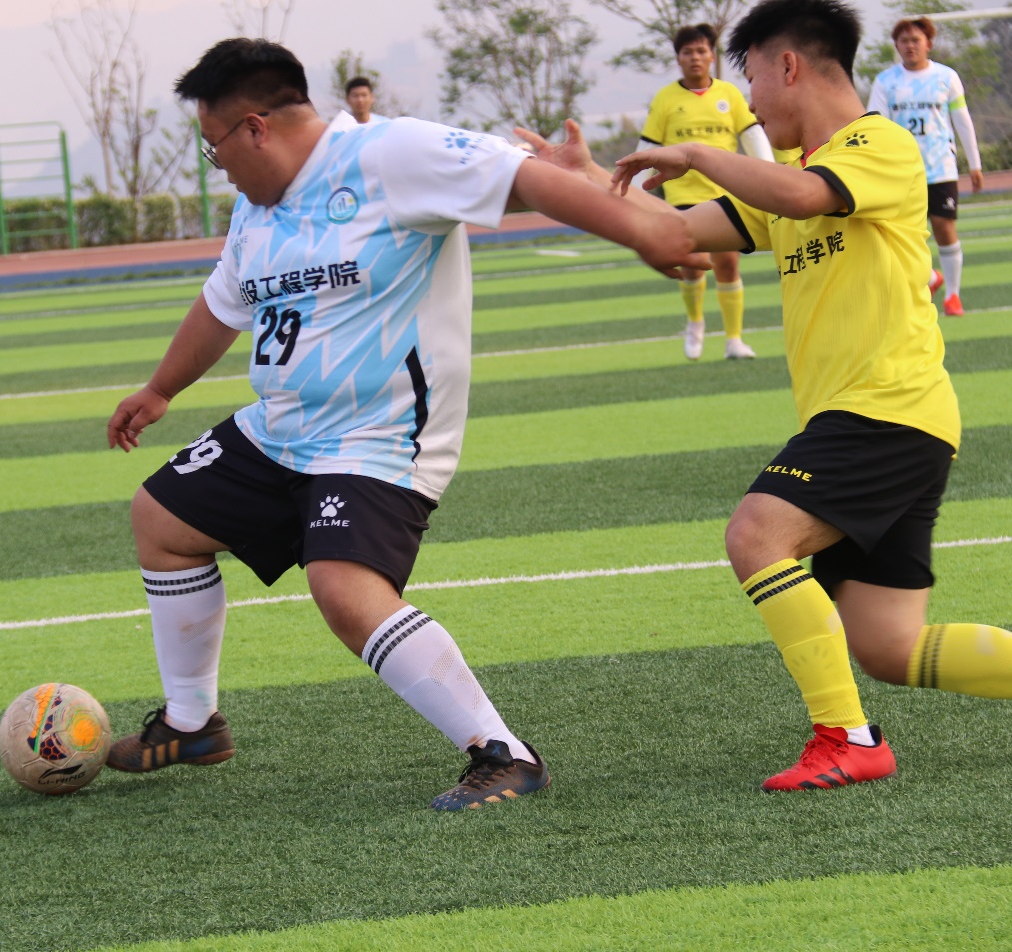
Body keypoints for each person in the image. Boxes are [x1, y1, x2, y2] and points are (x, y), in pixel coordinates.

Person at [104, 38, 701, 810]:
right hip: (279, 428)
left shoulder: (391, 152)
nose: (217, 165)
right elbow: (224, 303)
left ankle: (504, 754)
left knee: (344, 590)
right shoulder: (256, 209)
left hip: (378, 436)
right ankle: (191, 726)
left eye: (213, 146)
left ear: (255, 128)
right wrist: (160, 389)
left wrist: (641, 229)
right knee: (161, 518)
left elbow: (525, 178)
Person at [596, 0, 1012, 792]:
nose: (749, 103)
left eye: (750, 78)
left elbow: (800, 197)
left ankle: (847, 739)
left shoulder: (876, 144)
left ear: (787, 65)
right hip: (894, 422)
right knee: (888, 647)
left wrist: (699, 151)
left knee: (756, 534)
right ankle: (852, 728)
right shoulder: (790, 178)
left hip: (886, 410)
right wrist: (572, 175)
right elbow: (675, 230)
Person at [634, 22, 775, 360]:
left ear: (712, 55)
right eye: (687, 52)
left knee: (728, 265)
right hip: (682, 195)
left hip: (725, 193)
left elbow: (752, 135)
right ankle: (695, 323)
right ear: (678, 58)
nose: (695, 57)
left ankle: (734, 340)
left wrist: (770, 174)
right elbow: (649, 145)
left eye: (701, 51)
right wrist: (634, 192)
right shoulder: (666, 99)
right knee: (693, 266)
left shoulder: (730, 94)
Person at [868, 16, 983, 316]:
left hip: (940, 168)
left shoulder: (946, 77)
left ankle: (953, 296)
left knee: (944, 228)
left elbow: (962, 121)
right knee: (898, 235)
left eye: (915, 40)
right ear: (897, 46)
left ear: (928, 43)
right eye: (904, 41)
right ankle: (931, 278)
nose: (910, 46)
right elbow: (875, 126)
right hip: (901, 172)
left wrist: (975, 164)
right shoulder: (885, 82)